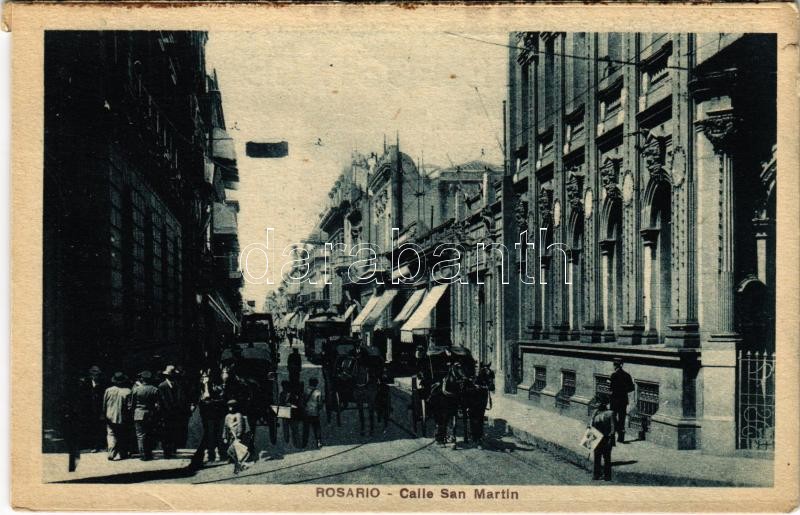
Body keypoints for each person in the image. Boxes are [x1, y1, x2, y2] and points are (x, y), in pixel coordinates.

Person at [158, 365, 190, 458]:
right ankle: (166, 452)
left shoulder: (177, 385)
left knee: (174, 431)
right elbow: (162, 401)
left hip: (176, 413)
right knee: (166, 432)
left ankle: (173, 449)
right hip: (166, 414)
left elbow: (181, 398)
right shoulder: (162, 386)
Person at [196, 368, 225, 462]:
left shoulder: (216, 386)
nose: (204, 378)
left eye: (206, 376)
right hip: (205, 413)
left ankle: (220, 453)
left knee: (217, 433)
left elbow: (210, 396)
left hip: (216, 412)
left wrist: (206, 386)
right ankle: (210, 453)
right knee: (208, 433)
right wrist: (205, 385)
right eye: (203, 377)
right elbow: (203, 397)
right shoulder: (199, 388)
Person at [130, 370, 160, 460]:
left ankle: (143, 455)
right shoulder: (154, 389)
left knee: (140, 435)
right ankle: (149, 453)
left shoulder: (136, 389)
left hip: (138, 413)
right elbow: (158, 404)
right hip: (150, 414)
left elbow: (132, 404)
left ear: (142, 379)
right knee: (149, 434)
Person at [103, 372, 132, 460]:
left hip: (109, 416)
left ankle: (111, 453)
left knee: (111, 434)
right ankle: (122, 453)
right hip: (122, 417)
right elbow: (129, 406)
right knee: (122, 435)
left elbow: (104, 404)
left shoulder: (108, 390)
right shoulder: (128, 391)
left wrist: (104, 414)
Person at [79, 365, 106, 452]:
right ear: (91, 375)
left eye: (98, 375)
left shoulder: (102, 383)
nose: (96, 376)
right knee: (89, 427)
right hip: (89, 409)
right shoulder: (86, 383)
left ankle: (98, 445)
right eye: (94, 374)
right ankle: (90, 445)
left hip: (98, 409)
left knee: (98, 427)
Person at [609, 357, 635, 443]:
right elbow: (632, 388)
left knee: (612, 418)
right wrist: (623, 390)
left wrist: (610, 383)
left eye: (614, 364)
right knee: (622, 418)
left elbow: (611, 388)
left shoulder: (613, 375)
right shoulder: (627, 375)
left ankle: (614, 435)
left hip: (614, 400)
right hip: (623, 400)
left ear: (615, 366)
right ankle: (621, 437)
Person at [589, 400, 615, 481]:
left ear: (603, 403)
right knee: (597, 457)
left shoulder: (610, 413)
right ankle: (596, 475)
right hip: (596, 437)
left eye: (598, 402)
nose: (596, 404)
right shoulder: (595, 413)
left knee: (607, 458)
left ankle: (607, 476)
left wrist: (611, 438)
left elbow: (613, 427)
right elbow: (590, 425)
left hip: (606, 438)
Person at [223, 399, 252, 474]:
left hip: (236, 435)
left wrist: (239, 434)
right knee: (231, 447)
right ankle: (233, 459)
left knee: (237, 448)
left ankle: (239, 461)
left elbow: (240, 425)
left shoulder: (238, 415)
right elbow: (225, 427)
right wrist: (224, 436)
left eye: (232, 407)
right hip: (230, 435)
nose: (230, 408)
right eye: (229, 407)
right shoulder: (227, 416)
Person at [302, 377, 323, 449]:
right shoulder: (318, 392)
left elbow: (302, 402)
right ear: (316, 384)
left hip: (306, 413)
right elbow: (320, 404)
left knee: (306, 429)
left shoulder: (305, 391)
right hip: (315, 413)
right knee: (317, 428)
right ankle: (318, 442)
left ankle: (304, 443)